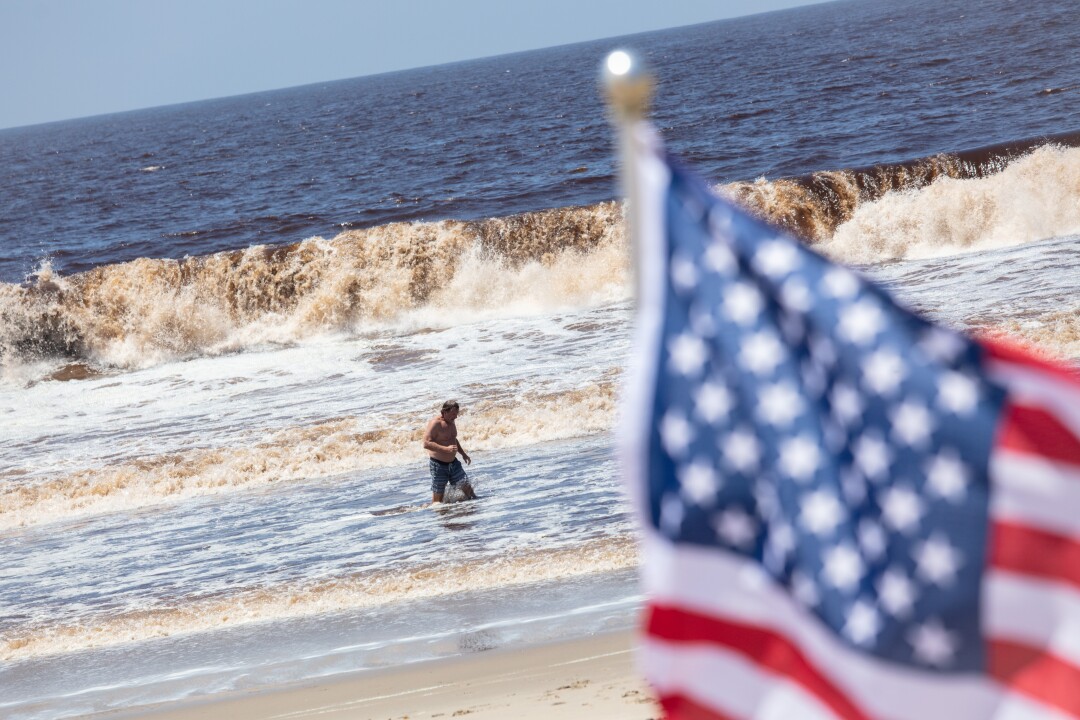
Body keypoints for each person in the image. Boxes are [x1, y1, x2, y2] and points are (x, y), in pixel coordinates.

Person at [423, 399, 478, 503]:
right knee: (437, 502)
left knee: (470, 493)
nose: (455, 417)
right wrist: (445, 449)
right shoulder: (435, 423)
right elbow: (426, 443)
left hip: (454, 464)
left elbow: (453, 439)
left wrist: (463, 454)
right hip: (438, 466)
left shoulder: (451, 421)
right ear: (444, 412)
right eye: (453, 414)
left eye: (456, 414)